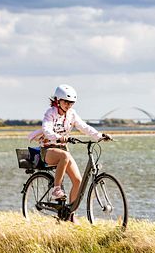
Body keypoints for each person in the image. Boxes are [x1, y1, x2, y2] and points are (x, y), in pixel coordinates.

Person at [29, 84, 110, 214]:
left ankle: (69, 214)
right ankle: (56, 189)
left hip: (63, 150)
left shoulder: (72, 114)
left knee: (78, 181)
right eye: (66, 102)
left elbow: (84, 127)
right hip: (48, 150)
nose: (68, 105)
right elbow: (46, 129)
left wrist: (99, 136)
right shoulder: (50, 113)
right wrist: (59, 137)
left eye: (71, 103)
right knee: (65, 156)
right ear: (57, 100)